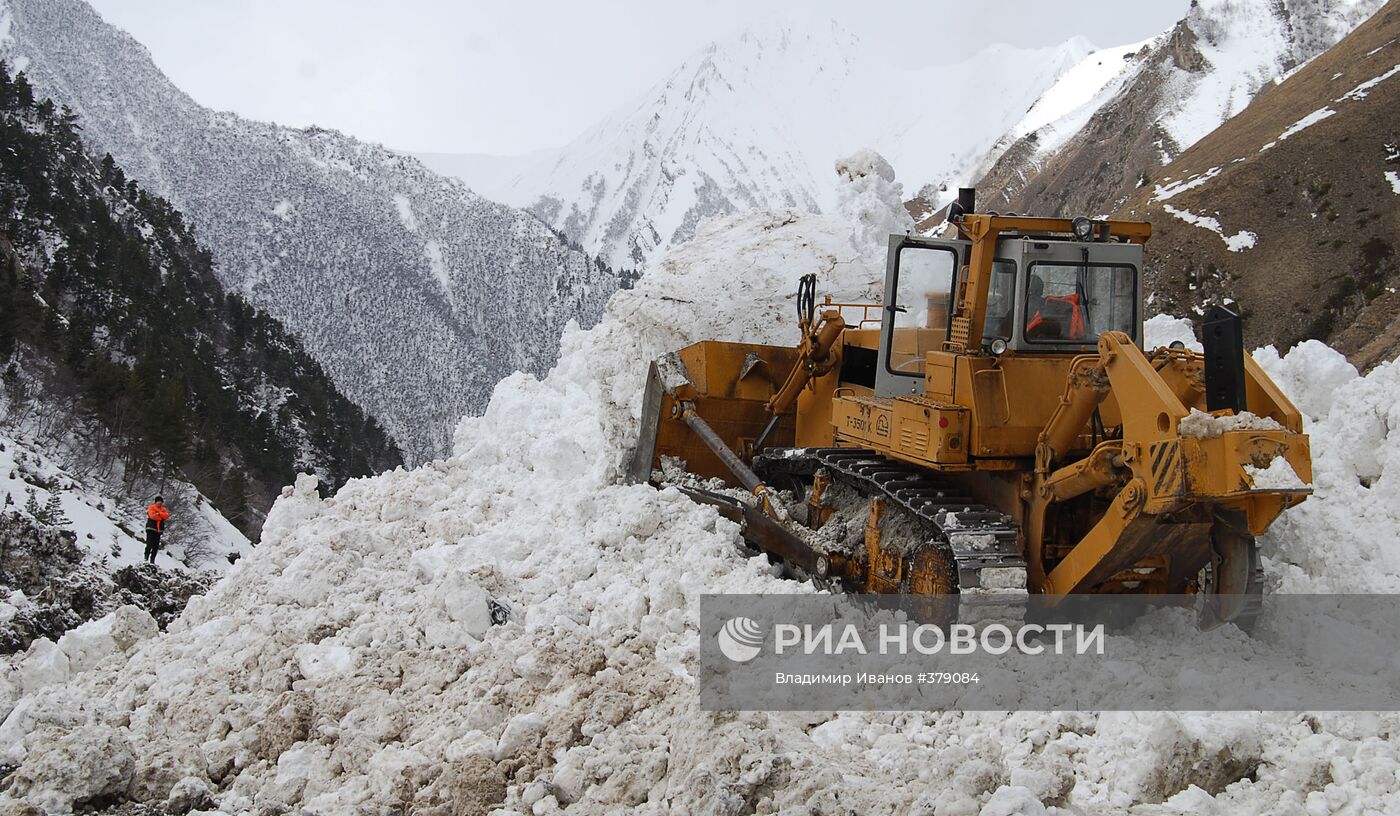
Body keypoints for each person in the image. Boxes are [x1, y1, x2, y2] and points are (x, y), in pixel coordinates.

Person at [145, 496, 170, 564]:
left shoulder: (163, 509)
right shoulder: (151, 507)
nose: (160, 502)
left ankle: (152, 560)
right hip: (151, 528)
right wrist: (161, 517)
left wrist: (158, 513)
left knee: (155, 547)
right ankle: (146, 557)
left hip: (158, 530)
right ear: (155, 501)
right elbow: (152, 516)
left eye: (161, 501)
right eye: (158, 501)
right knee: (149, 544)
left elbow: (166, 516)